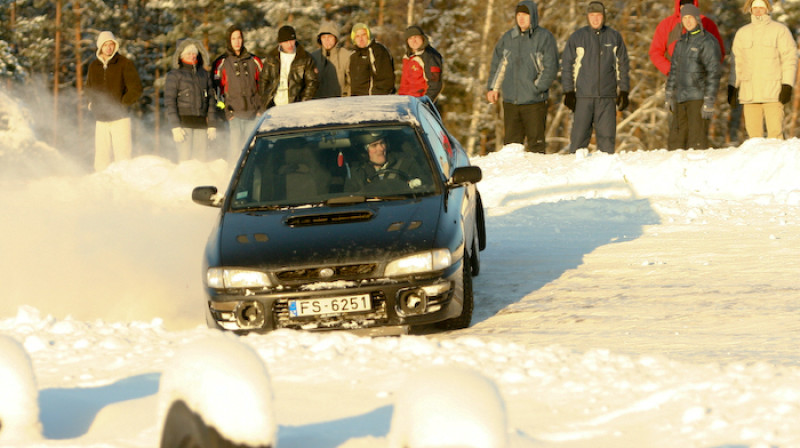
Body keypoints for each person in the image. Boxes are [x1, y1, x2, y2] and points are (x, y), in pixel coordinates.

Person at [486, 0, 559, 154]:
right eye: (519, 15)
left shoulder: (544, 37)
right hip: (511, 101)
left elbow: (551, 67)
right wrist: (493, 88)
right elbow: (499, 65)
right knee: (511, 148)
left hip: (534, 102)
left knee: (536, 147)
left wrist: (536, 88)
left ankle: (537, 176)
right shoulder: (508, 38)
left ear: (533, 16)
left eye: (525, 15)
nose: (521, 18)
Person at [561, 1, 630, 154]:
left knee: (607, 144)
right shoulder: (577, 37)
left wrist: (624, 91)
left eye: (598, 15)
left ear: (603, 17)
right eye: (592, 16)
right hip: (583, 97)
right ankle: (576, 173)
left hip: (606, 98)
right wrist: (568, 91)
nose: (595, 19)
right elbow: (567, 65)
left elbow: (623, 65)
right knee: (578, 141)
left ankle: (605, 175)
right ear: (587, 17)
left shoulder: (614, 37)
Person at [730, 0, 798, 139]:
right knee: (754, 139)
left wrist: (787, 84)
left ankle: (779, 161)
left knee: (776, 136)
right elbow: (737, 62)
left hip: (773, 93)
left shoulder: (780, 30)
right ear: (750, 10)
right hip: (750, 93)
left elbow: (789, 59)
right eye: (755, 8)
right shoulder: (742, 33)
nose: (758, 11)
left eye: (761, 7)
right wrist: (733, 86)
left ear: (767, 9)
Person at [665, 4, 721, 150]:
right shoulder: (681, 42)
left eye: (691, 17)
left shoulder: (708, 41)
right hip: (679, 98)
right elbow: (674, 70)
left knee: (696, 143)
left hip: (698, 98)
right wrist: (669, 94)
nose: (688, 21)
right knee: (675, 143)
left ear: (697, 19)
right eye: (685, 18)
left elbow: (713, 73)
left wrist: (709, 101)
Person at [85, 30, 142, 171]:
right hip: (101, 119)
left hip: (120, 118)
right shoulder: (94, 66)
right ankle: (100, 184)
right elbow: (89, 87)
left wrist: (121, 104)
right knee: (101, 156)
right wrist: (93, 102)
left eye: (111, 44)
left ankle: (124, 184)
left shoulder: (124, 63)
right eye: (106, 45)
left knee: (122, 155)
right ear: (100, 47)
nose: (109, 48)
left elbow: (136, 88)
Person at [212, 25, 263, 163]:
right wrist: (226, 112)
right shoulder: (221, 63)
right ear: (229, 41)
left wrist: (260, 109)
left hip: (253, 115)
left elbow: (264, 86)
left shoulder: (254, 61)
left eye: (239, 38)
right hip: (234, 116)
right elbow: (216, 91)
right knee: (235, 154)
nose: (237, 41)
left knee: (253, 153)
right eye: (233, 38)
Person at [164, 39, 217, 162]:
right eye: (188, 53)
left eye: (194, 53)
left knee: (201, 161)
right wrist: (175, 126)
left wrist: (212, 125)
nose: (192, 56)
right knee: (185, 161)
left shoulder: (204, 74)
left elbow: (211, 101)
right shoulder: (174, 75)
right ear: (181, 55)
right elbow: (170, 102)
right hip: (184, 126)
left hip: (201, 125)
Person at [649, 0, 725, 77]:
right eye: (683, 4)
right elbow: (655, 52)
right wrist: (671, 70)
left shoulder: (707, 23)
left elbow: (718, 52)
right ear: (678, 5)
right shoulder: (667, 25)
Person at [259, 25, 319, 110]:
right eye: (286, 41)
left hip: (296, 106)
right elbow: (263, 79)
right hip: (274, 105)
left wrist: (303, 102)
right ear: (280, 43)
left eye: (292, 40)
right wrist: (265, 99)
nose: (290, 44)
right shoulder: (271, 57)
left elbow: (312, 82)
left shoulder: (305, 58)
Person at [345, 131, 425, 192]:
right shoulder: (358, 173)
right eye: (374, 145)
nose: (381, 149)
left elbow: (425, 188)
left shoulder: (405, 163)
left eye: (382, 143)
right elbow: (352, 200)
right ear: (363, 152)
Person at [397, 25, 444, 103]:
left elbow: (435, 83)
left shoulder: (430, 56)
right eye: (410, 38)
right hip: (407, 101)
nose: (413, 41)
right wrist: (401, 99)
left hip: (421, 102)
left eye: (416, 37)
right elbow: (404, 83)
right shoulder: (407, 57)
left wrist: (426, 102)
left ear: (422, 38)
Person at [349, 23, 395, 96]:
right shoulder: (353, 55)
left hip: (374, 100)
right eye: (357, 36)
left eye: (363, 35)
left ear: (368, 35)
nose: (361, 39)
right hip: (356, 101)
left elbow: (386, 79)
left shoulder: (378, 51)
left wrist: (375, 97)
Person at [310, 21, 352, 98]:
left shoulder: (346, 56)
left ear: (335, 38)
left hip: (341, 103)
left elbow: (352, 83)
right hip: (318, 104)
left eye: (329, 37)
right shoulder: (313, 58)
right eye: (324, 37)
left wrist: (346, 99)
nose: (327, 40)